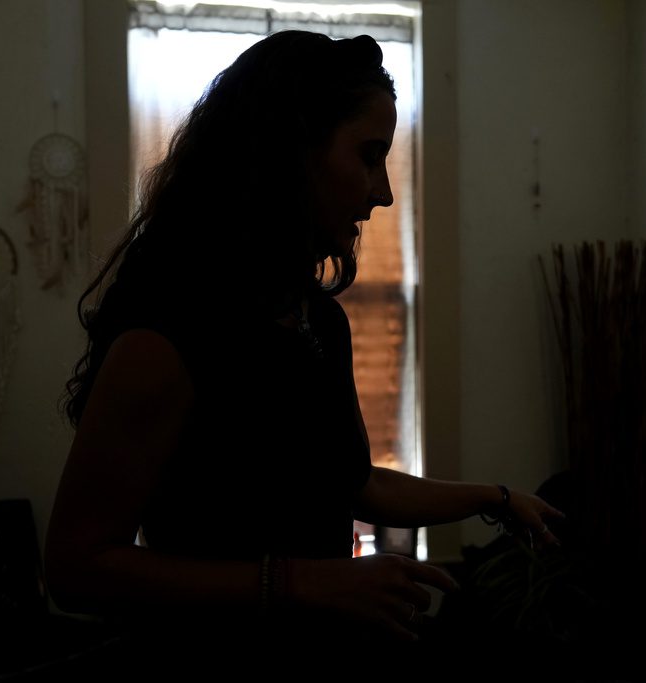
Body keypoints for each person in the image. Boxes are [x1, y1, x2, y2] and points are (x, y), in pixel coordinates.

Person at [45, 30, 562, 661]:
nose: (384, 193)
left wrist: (495, 499)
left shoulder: (317, 320)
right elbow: (76, 569)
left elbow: (357, 484)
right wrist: (296, 583)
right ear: (290, 153)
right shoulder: (166, 338)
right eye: (369, 156)